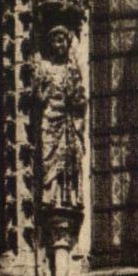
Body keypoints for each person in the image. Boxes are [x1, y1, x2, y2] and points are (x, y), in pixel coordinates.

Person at [31, 24, 87, 210]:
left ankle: (66, 198)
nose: (59, 44)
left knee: (67, 157)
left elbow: (79, 99)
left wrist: (74, 94)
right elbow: (39, 97)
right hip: (49, 117)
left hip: (66, 119)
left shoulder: (72, 70)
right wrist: (40, 86)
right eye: (55, 41)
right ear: (51, 44)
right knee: (49, 156)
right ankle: (50, 196)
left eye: (62, 40)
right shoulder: (45, 68)